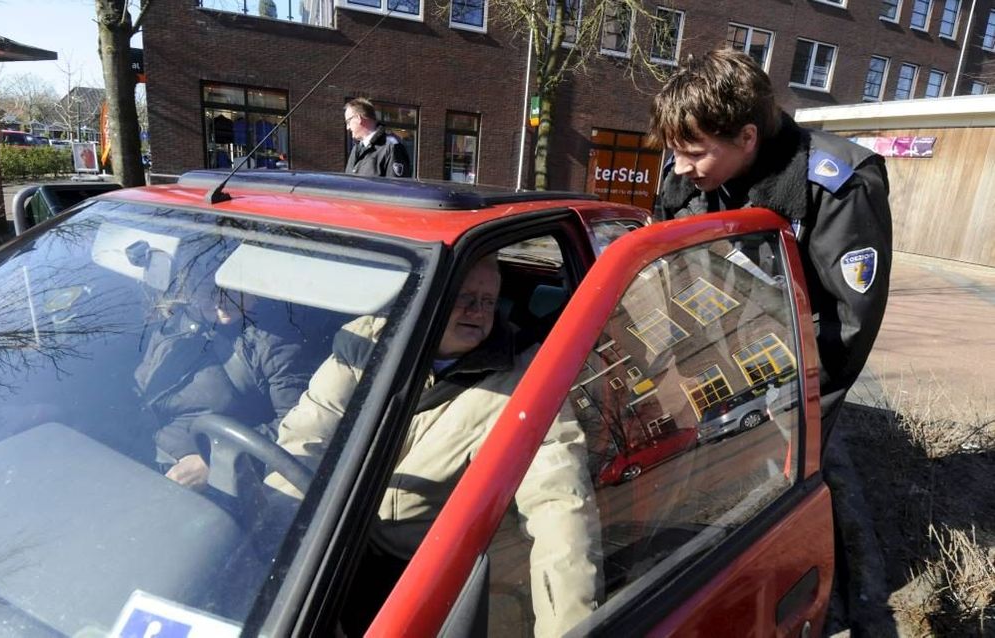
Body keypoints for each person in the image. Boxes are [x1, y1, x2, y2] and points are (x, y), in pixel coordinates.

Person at [266, 255, 601, 637]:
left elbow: (560, 506)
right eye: (465, 298)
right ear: (428, 297)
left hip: (417, 569)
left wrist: (569, 629)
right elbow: (307, 436)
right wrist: (273, 545)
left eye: (488, 301)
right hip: (334, 538)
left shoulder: (527, 383)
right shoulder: (367, 341)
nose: (477, 312)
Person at [647, 48, 892, 448]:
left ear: (747, 137)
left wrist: (779, 398)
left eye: (693, 154)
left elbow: (848, 323)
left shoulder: (837, 186)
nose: (679, 168)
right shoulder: (689, 175)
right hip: (717, 370)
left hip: (790, 385)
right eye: (673, 152)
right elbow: (677, 272)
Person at [135, 251, 314, 490]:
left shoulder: (274, 343)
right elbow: (140, 387)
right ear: (189, 291)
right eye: (207, 290)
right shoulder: (175, 327)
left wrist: (215, 462)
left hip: (214, 484)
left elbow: (297, 426)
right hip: (138, 456)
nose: (220, 301)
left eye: (231, 288)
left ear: (254, 284)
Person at [343, 97, 412, 178]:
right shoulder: (357, 149)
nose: (347, 127)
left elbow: (397, 188)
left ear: (358, 118)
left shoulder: (392, 147)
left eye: (348, 122)